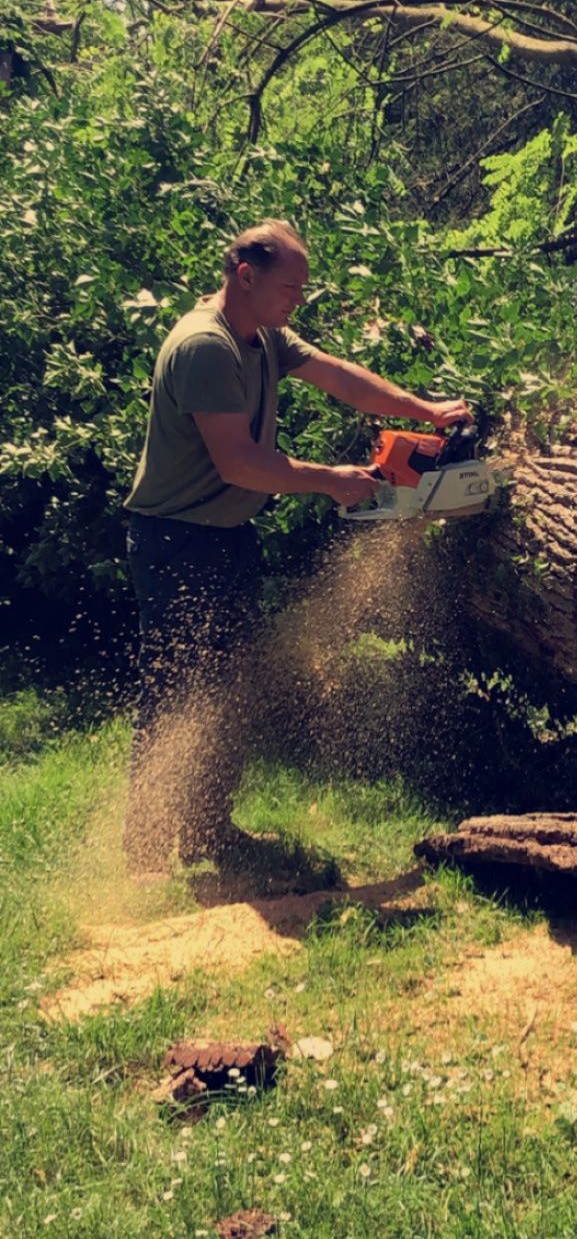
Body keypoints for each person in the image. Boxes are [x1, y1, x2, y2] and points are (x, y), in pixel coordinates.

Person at [122, 217, 469, 873]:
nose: (297, 301)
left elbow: (339, 376)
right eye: (290, 288)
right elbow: (241, 464)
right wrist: (331, 482)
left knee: (226, 685)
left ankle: (205, 831)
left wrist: (425, 412)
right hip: (174, 542)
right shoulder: (206, 347)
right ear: (245, 277)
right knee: (177, 690)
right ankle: (144, 852)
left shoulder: (262, 335)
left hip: (225, 536)